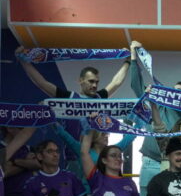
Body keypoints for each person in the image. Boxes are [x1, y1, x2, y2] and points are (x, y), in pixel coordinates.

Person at [16, 45, 131, 178]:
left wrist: (128, 61)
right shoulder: (69, 98)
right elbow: (42, 83)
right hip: (75, 159)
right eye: (91, 81)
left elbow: (116, 82)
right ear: (80, 81)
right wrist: (24, 62)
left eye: (97, 82)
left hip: (96, 158)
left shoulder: (100, 98)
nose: (94, 85)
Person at [128, 41, 181, 196]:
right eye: (174, 90)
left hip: (172, 167)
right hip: (150, 163)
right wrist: (133, 56)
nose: (176, 94)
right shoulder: (156, 105)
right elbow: (136, 84)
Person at [19, 140, 89, 196]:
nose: (55, 155)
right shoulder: (32, 182)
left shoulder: (70, 177)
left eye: (57, 151)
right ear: (40, 156)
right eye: (50, 151)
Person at [2, 126, 40, 196]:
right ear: (9, 128)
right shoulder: (2, 148)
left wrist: (14, 162)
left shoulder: (28, 148)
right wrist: (26, 162)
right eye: (21, 128)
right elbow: (5, 172)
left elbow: (37, 164)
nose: (24, 132)